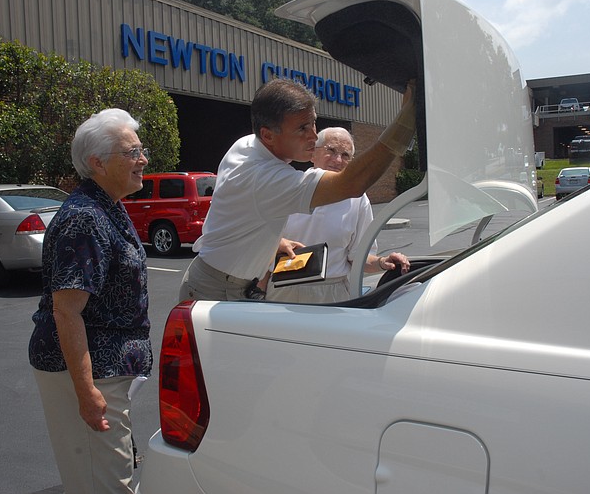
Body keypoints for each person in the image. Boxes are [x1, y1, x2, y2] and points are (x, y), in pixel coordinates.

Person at [178, 77, 416, 302]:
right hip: (218, 290)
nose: (313, 136)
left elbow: (244, 218)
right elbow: (353, 183)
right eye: (302, 128)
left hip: (224, 280)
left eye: (313, 123)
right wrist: (407, 121)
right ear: (268, 135)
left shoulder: (247, 146)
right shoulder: (268, 179)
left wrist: (275, 243)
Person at [28, 108, 152, 494]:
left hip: (108, 370)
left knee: (113, 475)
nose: (143, 159)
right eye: (132, 152)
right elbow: (66, 310)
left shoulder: (107, 206)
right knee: (104, 484)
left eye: (140, 150)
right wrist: (86, 392)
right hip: (90, 374)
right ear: (97, 163)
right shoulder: (85, 218)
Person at [267, 127, 410, 304]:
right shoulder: (289, 187)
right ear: (312, 154)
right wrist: (278, 243)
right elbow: (255, 238)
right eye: (331, 151)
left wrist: (382, 262)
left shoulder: (357, 199)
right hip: (284, 289)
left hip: (333, 293)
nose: (337, 160)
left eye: (345, 155)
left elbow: (358, 258)